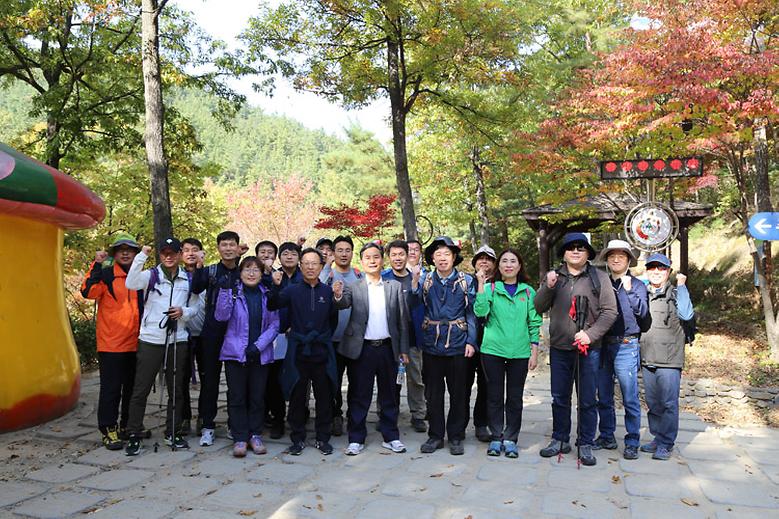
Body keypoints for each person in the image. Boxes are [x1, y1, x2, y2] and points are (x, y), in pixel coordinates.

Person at [534, 232, 617, 466]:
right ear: (564, 252)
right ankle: (560, 439)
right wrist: (548, 287)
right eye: (571, 247)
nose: (576, 251)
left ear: (588, 252)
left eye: (581, 247)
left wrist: (590, 335)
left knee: (588, 399)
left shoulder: (599, 277)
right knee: (560, 398)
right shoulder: (554, 276)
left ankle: (585, 442)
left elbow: (610, 311)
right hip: (560, 348)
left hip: (589, 350)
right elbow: (538, 306)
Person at [124, 238, 203, 455]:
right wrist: (141, 256)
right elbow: (130, 283)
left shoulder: (188, 278)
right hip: (151, 338)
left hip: (178, 338)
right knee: (140, 389)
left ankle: (173, 432)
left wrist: (183, 313)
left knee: (176, 389)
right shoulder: (150, 275)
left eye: (173, 253)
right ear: (160, 255)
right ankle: (134, 434)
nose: (169, 257)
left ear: (179, 255)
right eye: (164, 253)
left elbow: (195, 306)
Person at [333, 242, 410, 455]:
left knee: (390, 395)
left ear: (381, 260)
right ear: (362, 261)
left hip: (388, 348)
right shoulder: (354, 287)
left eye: (376, 257)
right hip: (362, 349)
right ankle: (356, 438)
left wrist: (403, 351)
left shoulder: (393, 286)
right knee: (359, 394)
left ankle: (391, 436)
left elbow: (402, 321)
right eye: (368, 257)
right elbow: (342, 304)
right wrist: (337, 295)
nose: (372, 261)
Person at [268, 248, 339, 456]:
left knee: (324, 396)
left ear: (321, 266)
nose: (310, 267)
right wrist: (275, 285)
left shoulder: (327, 291)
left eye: (314, 263)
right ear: (301, 265)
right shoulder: (291, 290)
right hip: (298, 350)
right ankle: (297, 438)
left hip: (321, 351)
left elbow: (333, 320)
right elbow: (273, 304)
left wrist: (322, 337)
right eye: (306, 263)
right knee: (297, 396)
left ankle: (322, 438)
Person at [474, 248, 542, 458]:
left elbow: (534, 322)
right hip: (492, 350)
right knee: (494, 396)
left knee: (514, 397)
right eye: (504, 261)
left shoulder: (528, 292)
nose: (509, 265)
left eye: (513, 261)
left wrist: (534, 351)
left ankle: (511, 438)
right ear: (499, 266)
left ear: (519, 266)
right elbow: (480, 311)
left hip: (520, 352)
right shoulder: (491, 288)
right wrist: (481, 286)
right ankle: (496, 436)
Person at [412, 236, 477, 456]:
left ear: (454, 257)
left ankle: (456, 435)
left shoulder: (466, 281)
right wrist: (413, 285)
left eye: (446, 254)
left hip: (458, 343)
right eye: (438, 254)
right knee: (433, 393)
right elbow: (414, 306)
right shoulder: (424, 280)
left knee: (459, 393)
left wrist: (471, 341)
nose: (442, 258)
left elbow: (472, 314)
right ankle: (435, 435)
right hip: (432, 343)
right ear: (432, 258)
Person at [80, 233, 143, 450]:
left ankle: (127, 425)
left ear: (136, 253)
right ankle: (109, 429)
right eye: (120, 249)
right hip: (112, 344)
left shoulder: (141, 276)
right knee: (111, 389)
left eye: (130, 249)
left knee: (133, 388)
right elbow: (87, 292)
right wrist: (96, 265)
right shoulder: (106, 275)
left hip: (137, 342)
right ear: (115, 254)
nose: (125, 252)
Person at [214, 256, 280, 457]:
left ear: (262, 274)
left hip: (260, 355)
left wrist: (258, 346)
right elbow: (221, 316)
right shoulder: (234, 293)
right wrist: (225, 291)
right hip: (235, 354)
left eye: (256, 270)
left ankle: (255, 434)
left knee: (257, 397)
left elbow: (275, 324)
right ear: (240, 272)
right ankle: (240, 437)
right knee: (237, 397)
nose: (251, 274)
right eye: (247, 269)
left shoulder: (267, 295)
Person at [593, 239, 649, 460]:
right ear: (607, 259)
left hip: (626, 344)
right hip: (602, 344)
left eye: (622, 256)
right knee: (603, 395)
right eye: (612, 255)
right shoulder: (601, 283)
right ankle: (606, 435)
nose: (616, 259)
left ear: (628, 260)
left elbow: (643, 314)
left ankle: (632, 439)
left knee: (629, 396)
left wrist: (629, 292)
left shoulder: (637, 285)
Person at [191, 231, 244, 447]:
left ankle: (235, 424)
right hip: (211, 334)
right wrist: (198, 269)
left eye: (232, 244)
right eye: (224, 245)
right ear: (218, 248)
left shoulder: (244, 271)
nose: (228, 248)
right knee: (209, 382)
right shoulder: (211, 270)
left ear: (238, 248)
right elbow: (195, 289)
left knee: (236, 383)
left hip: (237, 334)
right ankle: (208, 426)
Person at [639, 253, 694, 461]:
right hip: (648, 357)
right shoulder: (643, 293)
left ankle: (666, 443)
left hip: (670, 360)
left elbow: (687, 315)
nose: (656, 272)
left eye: (661, 268)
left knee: (669, 403)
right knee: (653, 403)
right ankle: (657, 437)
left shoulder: (676, 293)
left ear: (668, 272)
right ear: (646, 271)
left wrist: (682, 286)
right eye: (652, 268)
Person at [318, 235, 362, 436]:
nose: (344, 254)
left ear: (352, 253)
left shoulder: (359, 276)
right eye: (340, 250)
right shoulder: (327, 275)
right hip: (332, 340)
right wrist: (326, 266)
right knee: (332, 381)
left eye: (348, 250)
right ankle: (335, 415)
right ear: (333, 253)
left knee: (356, 381)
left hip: (355, 339)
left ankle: (355, 416)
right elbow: (316, 287)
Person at [382, 240, 427, 433]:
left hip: (413, 336)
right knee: (388, 378)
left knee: (416, 378)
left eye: (402, 254)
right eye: (394, 254)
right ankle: (386, 414)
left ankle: (418, 414)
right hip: (389, 338)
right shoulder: (382, 277)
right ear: (389, 257)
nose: (398, 258)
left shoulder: (417, 278)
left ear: (408, 255)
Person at [467, 245, 496, 442]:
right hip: (468, 340)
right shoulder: (466, 281)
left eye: (488, 259)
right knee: (463, 384)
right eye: (480, 258)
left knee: (487, 384)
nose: (484, 262)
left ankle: (481, 423)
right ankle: (458, 424)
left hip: (491, 340)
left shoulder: (499, 284)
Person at [180, 237, 206, 436]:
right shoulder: (176, 276)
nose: (190, 253)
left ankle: (205, 417)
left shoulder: (208, 275)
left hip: (205, 335)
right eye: (186, 250)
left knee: (208, 378)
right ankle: (184, 417)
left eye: (195, 249)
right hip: (181, 335)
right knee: (181, 378)